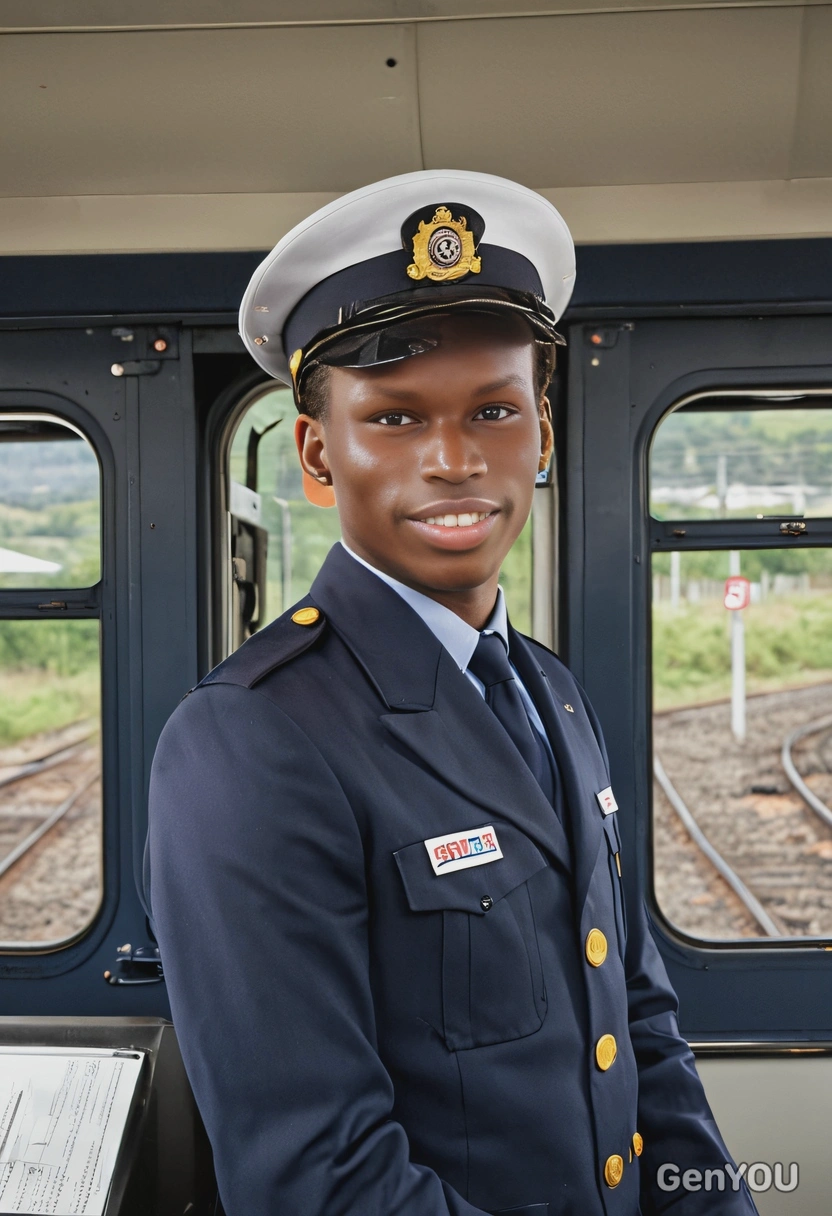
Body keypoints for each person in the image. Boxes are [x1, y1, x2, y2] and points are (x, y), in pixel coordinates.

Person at [147, 170, 757, 1216]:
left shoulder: (552, 693)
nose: (453, 459)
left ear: (544, 434)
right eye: (392, 418)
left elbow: (641, 1029)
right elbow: (320, 1177)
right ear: (316, 452)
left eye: (493, 409)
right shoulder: (252, 737)